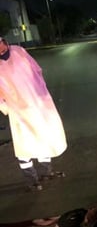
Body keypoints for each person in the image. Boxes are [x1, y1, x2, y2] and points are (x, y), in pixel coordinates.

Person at [0, 37, 67, 191]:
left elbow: (36, 69)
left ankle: (48, 172)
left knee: (44, 136)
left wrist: (42, 92)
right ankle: (32, 179)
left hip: (38, 103)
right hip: (18, 110)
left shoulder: (18, 51)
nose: (2, 51)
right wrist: (5, 108)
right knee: (24, 144)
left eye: (3, 47)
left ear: (5, 42)